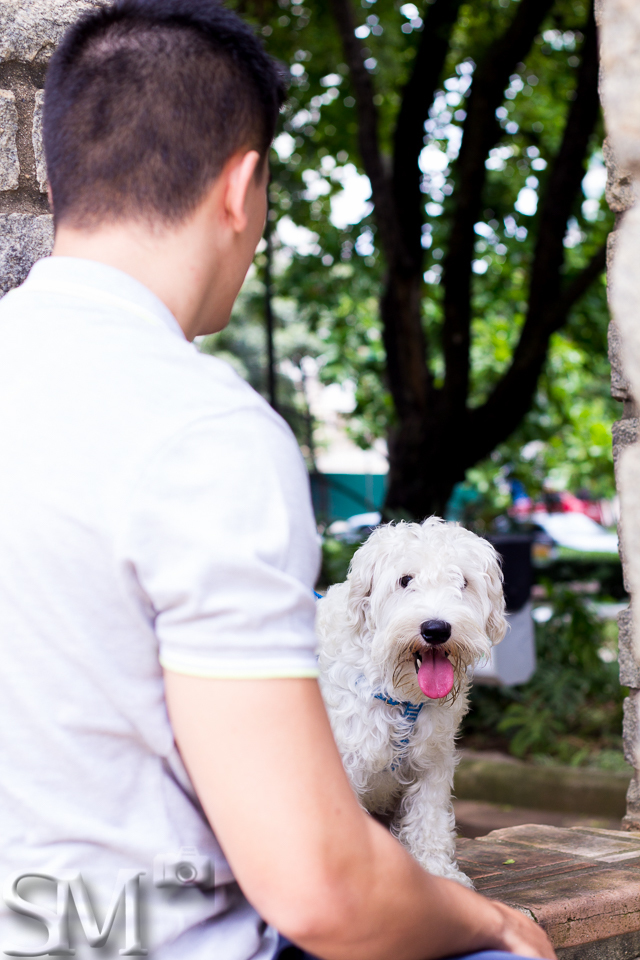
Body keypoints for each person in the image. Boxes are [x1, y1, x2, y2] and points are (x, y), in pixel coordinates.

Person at [0, 1, 556, 959]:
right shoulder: (206, 432)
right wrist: (491, 920)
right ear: (243, 187)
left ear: (54, 177)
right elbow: (318, 886)